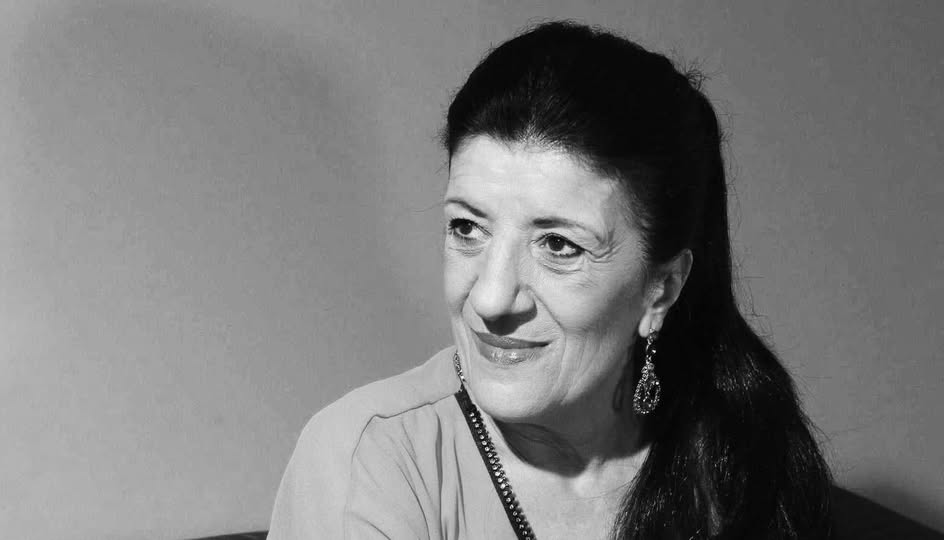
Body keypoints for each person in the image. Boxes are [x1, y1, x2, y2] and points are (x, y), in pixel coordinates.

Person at [268, 21, 833, 539]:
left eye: (559, 245)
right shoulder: (371, 459)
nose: (490, 298)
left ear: (660, 289)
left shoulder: (744, 458)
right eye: (467, 228)